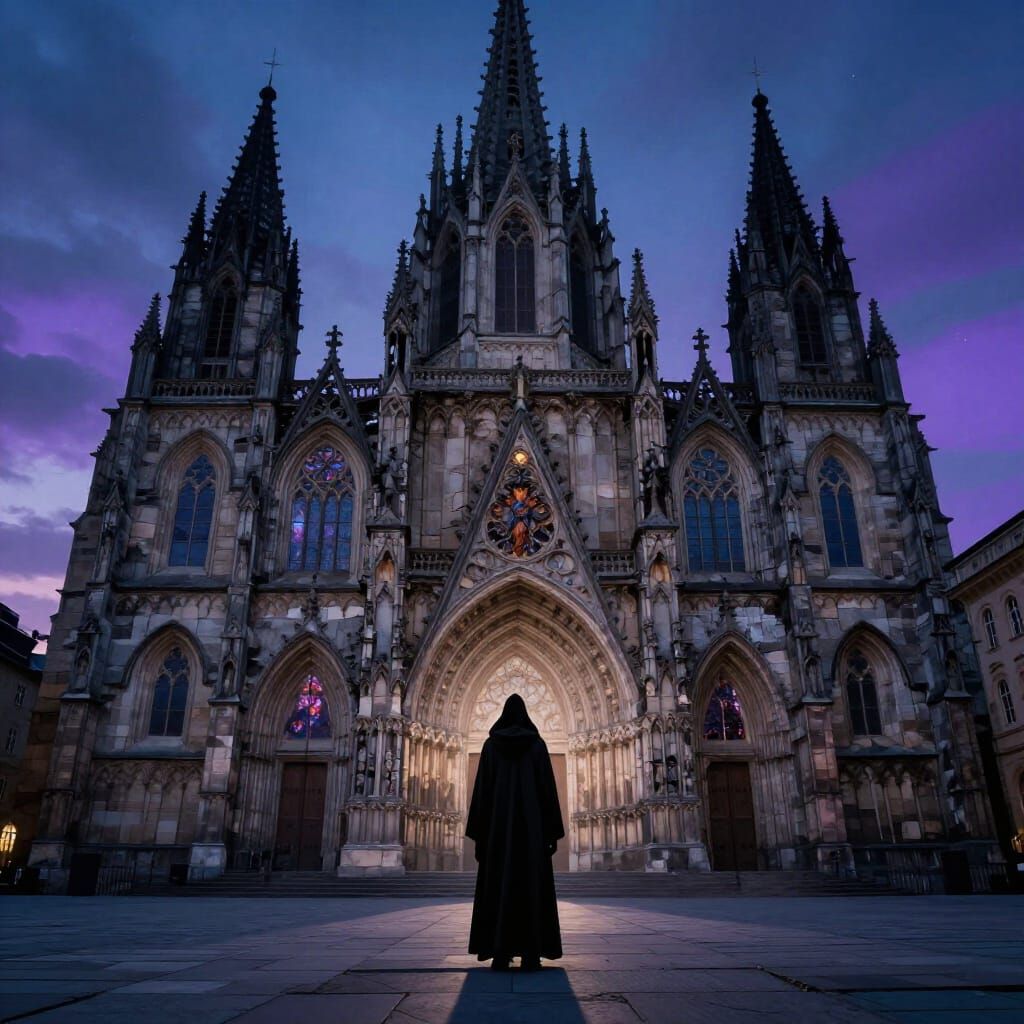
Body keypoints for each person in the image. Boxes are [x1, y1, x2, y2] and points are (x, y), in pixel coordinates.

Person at [466, 694, 564, 971]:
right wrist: (551, 833)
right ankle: (531, 954)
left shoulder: (490, 747)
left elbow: (482, 794)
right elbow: (547, 792)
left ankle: (500, 953)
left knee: (498, 888)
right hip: (533, 836)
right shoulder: (537, 746)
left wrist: (480, 836)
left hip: (497, 836)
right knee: (531, 889)